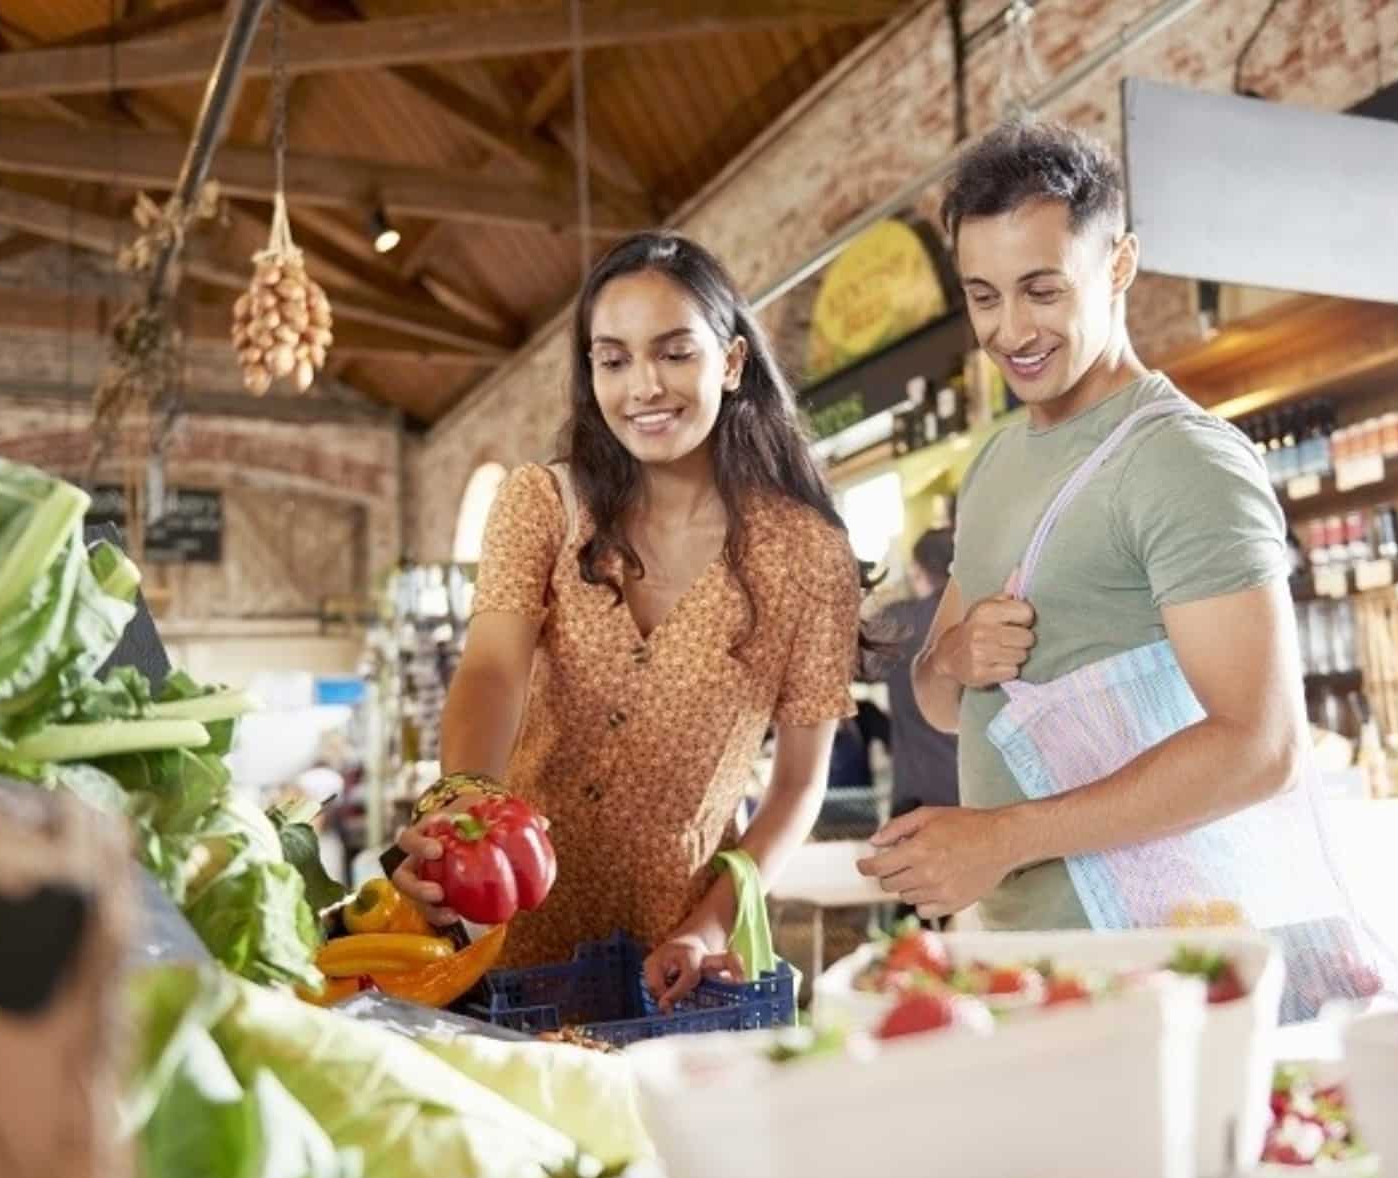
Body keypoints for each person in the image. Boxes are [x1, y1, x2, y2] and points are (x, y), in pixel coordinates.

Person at [392, 232, 870, 1007]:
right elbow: (489, 672)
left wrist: (711, 925)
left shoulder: (809, 555)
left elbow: (798, 784)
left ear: (734, 363)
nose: (644, 386)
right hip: (504, 920)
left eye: (675, 353)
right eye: (612, 360)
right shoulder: (544, 504)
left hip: (675, 950)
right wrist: (460, 816)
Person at [858, 119, 1307, 929]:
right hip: (1027, 949)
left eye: (1044, 289)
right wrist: (954, 657)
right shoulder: (995, 465)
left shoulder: (1182, 461)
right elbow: (939, 702)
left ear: (1119, 265)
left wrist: (1003, 838)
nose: (1011, 333)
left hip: (1168, 950)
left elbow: (1263, 746)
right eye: (984, 297)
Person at [880, 528, 960, 821]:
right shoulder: (987, 614)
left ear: (917, 571)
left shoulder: (898, 622)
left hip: (920, 793)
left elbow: (843, 665)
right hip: (985, 796)